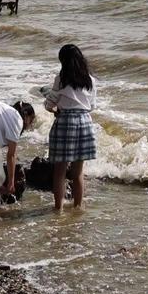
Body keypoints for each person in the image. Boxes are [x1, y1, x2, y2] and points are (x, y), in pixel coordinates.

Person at [44, 43, 99, 211]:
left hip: (65, 122)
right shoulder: (90, 80)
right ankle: (78, 207)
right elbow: (92, 106)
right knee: (78, 172)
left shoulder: (61, 79)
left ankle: (59, 208)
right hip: (85, 122)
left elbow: (49, 104)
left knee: (60, 171)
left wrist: (55, 108)